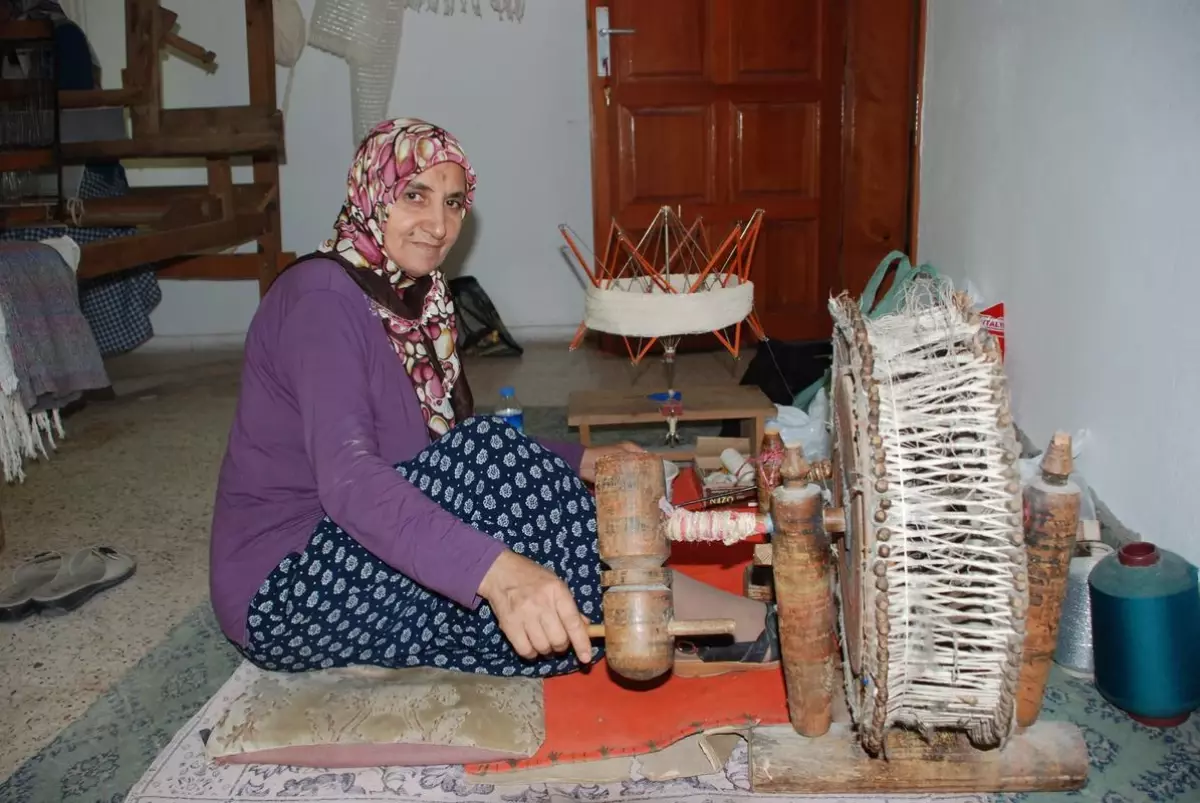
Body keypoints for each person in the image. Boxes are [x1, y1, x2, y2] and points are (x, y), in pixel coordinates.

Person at [209, 118, 779, 679]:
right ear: (371, 193)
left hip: (357, 540)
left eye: (454, 203)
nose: (438, 224)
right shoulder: (322, 300)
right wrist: (499, 574)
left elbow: (447, 448)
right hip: (287, 584)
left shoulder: (417, 301)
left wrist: (584, 460)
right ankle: (684, 618)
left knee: (497, 473)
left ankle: (653, 601)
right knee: (501, 523)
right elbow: (352, 480)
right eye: (415, 195)